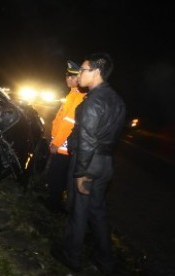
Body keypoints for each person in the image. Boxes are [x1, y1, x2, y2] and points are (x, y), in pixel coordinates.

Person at [51, 53, 126, 275]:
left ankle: (71, 256)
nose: (79, 74)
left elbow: (87, 139)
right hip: (105, 163)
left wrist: (82, 172)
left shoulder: (93, 101)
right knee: (98, 211)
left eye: (83, 70)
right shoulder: (117, 100)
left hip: (87, 163)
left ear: (96, 72)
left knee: (78, 211)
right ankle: (106, 260)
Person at [43, 60, 87, 213]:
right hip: (60, 142)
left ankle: (54, 204)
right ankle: (53, 199)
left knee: (57, 173)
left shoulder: (79, 96)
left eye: (72, 77)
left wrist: (57, 142)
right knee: (57, 173)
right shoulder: (72, 94)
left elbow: (69, 123)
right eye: (67, 76)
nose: (68, 79)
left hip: (63, 145)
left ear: (80, 78)